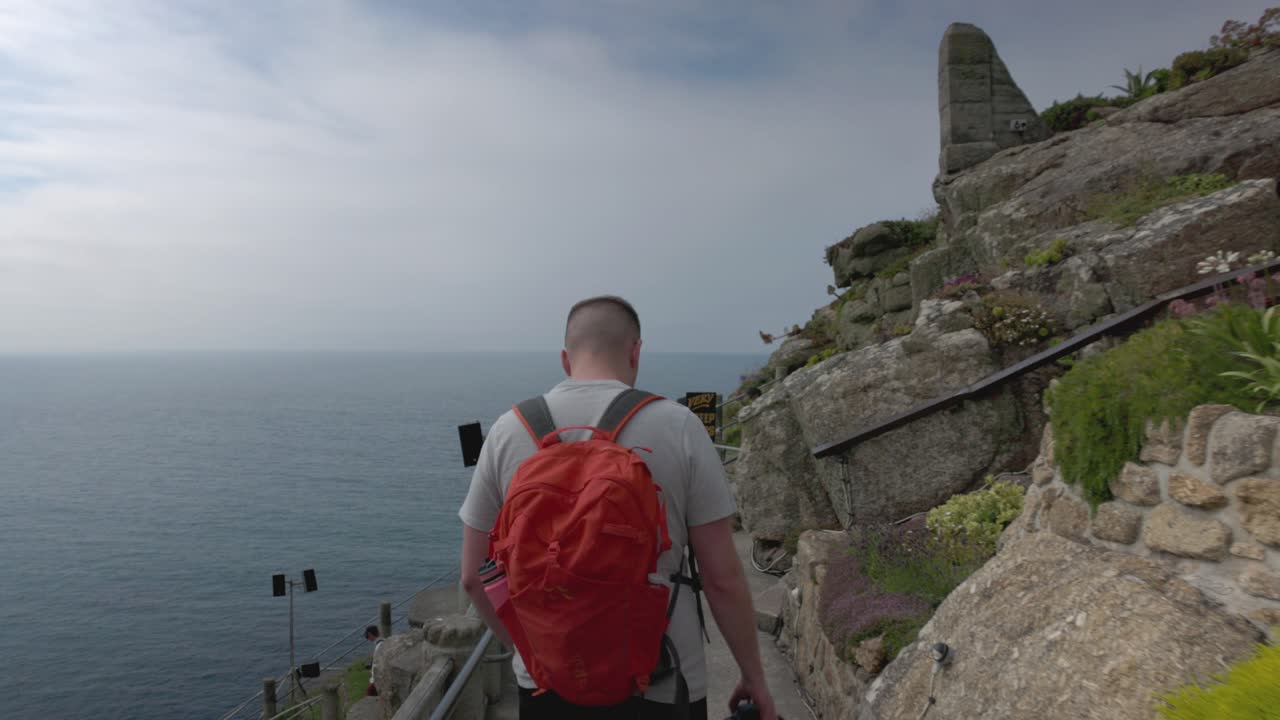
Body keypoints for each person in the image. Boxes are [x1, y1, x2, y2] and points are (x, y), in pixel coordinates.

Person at [458, 295, 778, 720]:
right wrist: (753, 674)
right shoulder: (680, 425)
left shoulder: (507, 431)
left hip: (547, 685)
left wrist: (532, 649)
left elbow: (473, 578)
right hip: (663, 680)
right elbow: (721, 579)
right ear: (636, 351)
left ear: (564, 358)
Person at [364, 625, 383, 697]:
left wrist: (374, 680)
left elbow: (377, 664)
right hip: (376, 678)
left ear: (370, 634)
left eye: (367, 635)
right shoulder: (381, 643)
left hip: (377, 679)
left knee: (369, 694)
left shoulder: (379, 646)